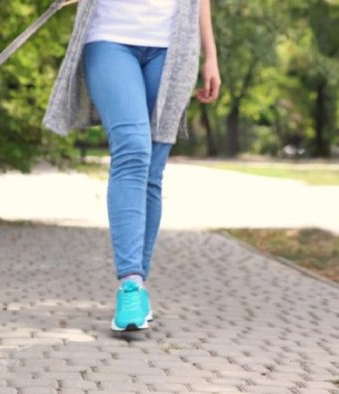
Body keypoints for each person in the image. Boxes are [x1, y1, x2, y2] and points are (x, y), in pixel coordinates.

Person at [44, 0, 220, 331]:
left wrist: (211, 56)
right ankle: (130, 283)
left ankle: (138, 288)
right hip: (110, 37)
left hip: (174, 45)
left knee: (152, 172)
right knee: (133, 150)